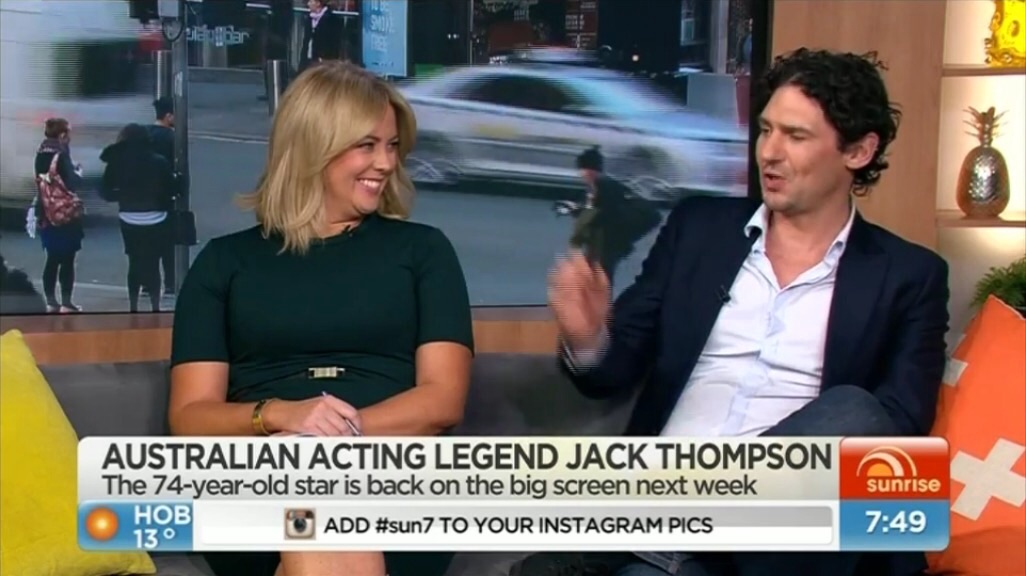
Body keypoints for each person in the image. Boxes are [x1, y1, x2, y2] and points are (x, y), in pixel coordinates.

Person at [538, 48, 948, 576]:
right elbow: (615, 369)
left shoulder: (908, 275)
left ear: (858, 151)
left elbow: (899, 423)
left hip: (792, 536)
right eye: (766, 130)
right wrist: (589, 336)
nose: (769, 153)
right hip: (670, 549)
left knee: (856, 412)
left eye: (795, 136)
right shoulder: (699, 230)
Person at [168, 61, 474, 576]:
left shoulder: (424, 252)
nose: (385, 163)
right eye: (367, 145)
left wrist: (326, 444)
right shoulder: (225, 264)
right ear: (314, 146)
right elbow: (191, 419)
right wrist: (279, 417)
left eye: (392, 146)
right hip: (256, 480)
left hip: (396, 478)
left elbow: (442, 401)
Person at [100, 123, 177, 312]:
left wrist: (123, 196)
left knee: (134, 261)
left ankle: (133, 305)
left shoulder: (117, 161)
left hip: (129, 216)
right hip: (156, 216)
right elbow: (171, 189)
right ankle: (155, 306)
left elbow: (105, 191)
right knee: (153, 261)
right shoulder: (159, 161)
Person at [33, 117, 85, 313]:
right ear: (62, 134)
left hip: (46, 212)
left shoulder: (41, 153)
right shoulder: (61, 155)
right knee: (68, 259)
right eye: (68, 133)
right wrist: (78, 172)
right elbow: (71, 183)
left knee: (52, 258)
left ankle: (50, 301)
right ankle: (66, 302)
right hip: (65, 212)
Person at [146, 97, 178, 297]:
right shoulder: (172, 137)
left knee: (148, 244)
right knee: (167, 244)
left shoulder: (145, 134)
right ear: (168, 116)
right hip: (165, 196)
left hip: (145, 196)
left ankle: (147, 284)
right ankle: (170, 285)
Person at [299, 0, 343, 72]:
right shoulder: (309, 19)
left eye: (311, 1)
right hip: (309, 58)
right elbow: (306, 41)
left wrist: (326, 59)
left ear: (318, 3)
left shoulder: (332, 19)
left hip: (325, 61)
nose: (308, 4)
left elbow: (334, 43)